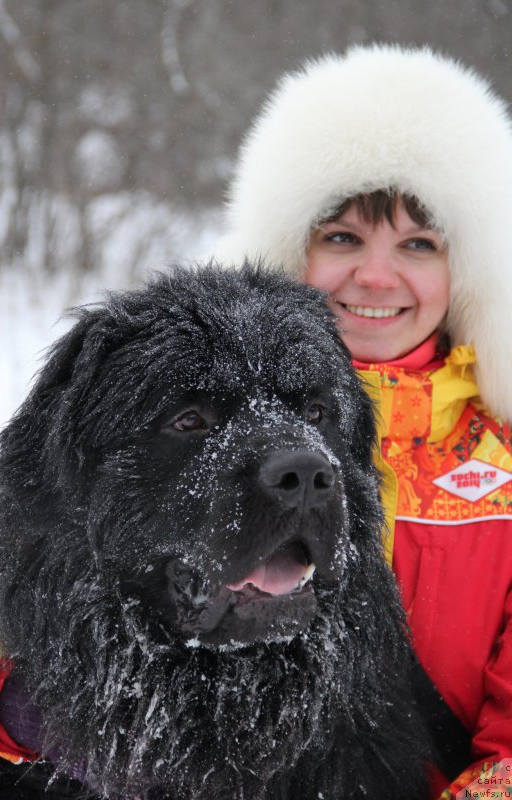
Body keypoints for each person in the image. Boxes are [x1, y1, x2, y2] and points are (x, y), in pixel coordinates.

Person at [215, 44, 512, 797]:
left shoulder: (505, 472)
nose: (376, 277)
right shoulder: (191, 430)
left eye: (419, 244)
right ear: (288, 250)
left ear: (468, 267)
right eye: (342, 237)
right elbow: (9, 607)